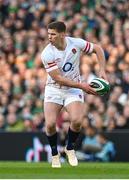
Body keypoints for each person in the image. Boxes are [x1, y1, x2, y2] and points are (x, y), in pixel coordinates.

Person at [41, 21, 108, 168]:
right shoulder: (47, 53)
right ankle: (54, 154)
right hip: (54, 88)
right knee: (51, 124)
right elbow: (58, 78)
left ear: (63, 34)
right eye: (48, 34)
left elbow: (97, 48)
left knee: (77, 121)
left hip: (73, 89)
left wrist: (102, 69)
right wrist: (81, 85)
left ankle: (69, 148)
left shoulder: (75, 43)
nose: (49, 37)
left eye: (53, 34)